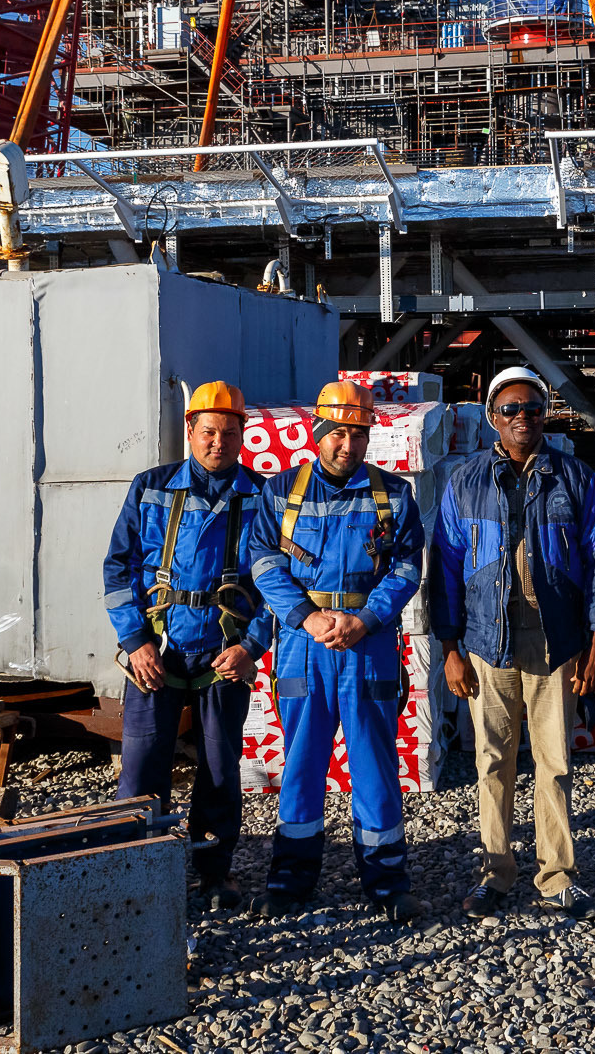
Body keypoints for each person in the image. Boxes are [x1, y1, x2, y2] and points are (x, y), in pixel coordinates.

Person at [431, 367, 595, 920]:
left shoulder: (574, 477)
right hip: (487, 641)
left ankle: (557, 873)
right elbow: (444, 567)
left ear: (546, 416)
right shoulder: (464, 482)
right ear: (493, 417)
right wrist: (449, 648)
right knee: (492, 761)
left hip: (553, 638)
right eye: (511, 409)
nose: (523, 418)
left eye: (533, 408)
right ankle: (496, 872)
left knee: (554, 760)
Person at [247, 380, 427, 922]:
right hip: (305, 645)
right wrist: (308, 616)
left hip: (367, 644)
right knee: (302, 762)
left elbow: (406, 567)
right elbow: (262, 563)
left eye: (359, 434)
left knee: (373, 762)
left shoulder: (393, 495)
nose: (348, 445)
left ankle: (386, 880)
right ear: (319, 431)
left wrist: (366, 617)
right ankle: (291, 879)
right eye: (339, 434)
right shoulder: (279, 493)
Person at [103, 381, 269, 909]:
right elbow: (118, 568)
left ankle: (215, 872)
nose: (218, 442)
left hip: (226, 655)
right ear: (190, 433)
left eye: (229, 432)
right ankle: (135, 870)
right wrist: (134, 640)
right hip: (158, 652)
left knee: (221, 766)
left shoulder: (262, 496)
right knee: (143, 763)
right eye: (208, 432)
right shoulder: (150, 488)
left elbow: (280, 582)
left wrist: (252, 646)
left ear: (243, 434)